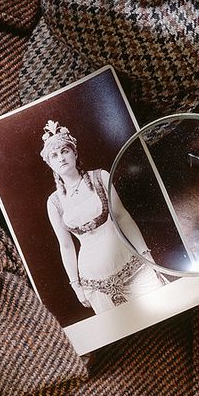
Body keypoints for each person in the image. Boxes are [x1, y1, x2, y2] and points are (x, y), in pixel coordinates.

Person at [40, 119, 165, 314]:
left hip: (130, 264)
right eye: (54, 156)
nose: (61, 158)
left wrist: (147, 256)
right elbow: (65, 246)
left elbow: (122, 217)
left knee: (159, 310)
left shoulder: (100, 177)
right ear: (50, 164)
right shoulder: (54, 202)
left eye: (64, 151)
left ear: (74, 152)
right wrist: (76, 286)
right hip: (93, 280)